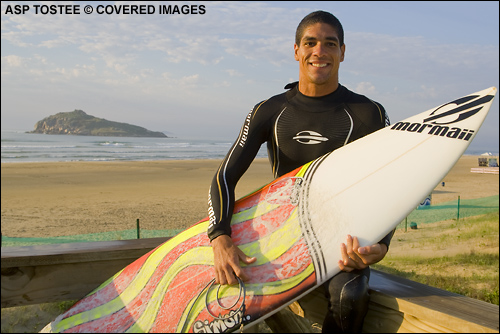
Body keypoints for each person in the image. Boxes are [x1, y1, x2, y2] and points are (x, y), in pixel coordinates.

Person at [207, 10, 394, 333]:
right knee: (225, 289)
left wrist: (380, 245)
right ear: (296, 50)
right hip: (283, 234)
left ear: (342, 52)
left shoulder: (368, 113)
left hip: (340, 238)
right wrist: (220, 236)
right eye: (310, 43)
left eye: (330, 44)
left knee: (351, 293)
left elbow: (391, 186)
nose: (319, 52)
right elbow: (224, 177)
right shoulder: (270, 110)